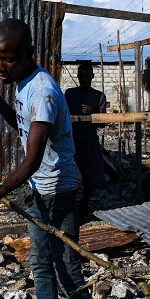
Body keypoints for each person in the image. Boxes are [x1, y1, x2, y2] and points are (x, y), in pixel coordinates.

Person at [0, 18, 99, 299]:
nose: (0, 67)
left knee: (69, 273)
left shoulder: (43, 91)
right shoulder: (22, 83)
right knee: (40, 265)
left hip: (59, 190)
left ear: (29, 53)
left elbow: (30, 159)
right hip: (39, 189)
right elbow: (22, 125)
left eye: (7, 60)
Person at [64, 61, 107, 216]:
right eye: (81, 76)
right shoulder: (69, 94)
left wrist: (92, 114)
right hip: (72, 143)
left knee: (89, 180)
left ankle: (84, 207)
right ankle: (71, 207)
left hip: (89, 142)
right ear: (78, 76)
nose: (84, 79)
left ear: (92, 76)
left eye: (87, 76)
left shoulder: (99, 96)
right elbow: (62, 114)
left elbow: (103, 122)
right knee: (71, 178)